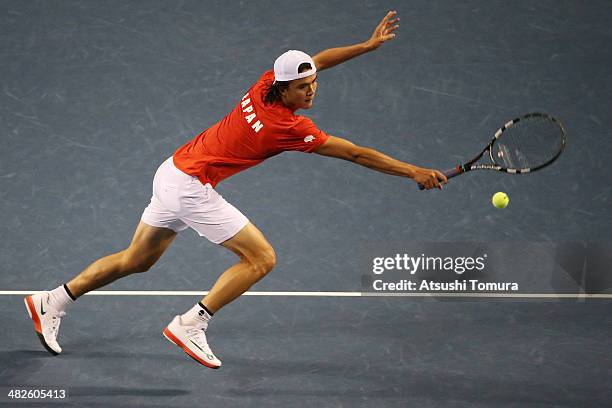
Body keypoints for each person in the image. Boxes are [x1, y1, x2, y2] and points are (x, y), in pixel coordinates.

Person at [24, 10, 446, 368]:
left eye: (312, 83)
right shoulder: (288, 128)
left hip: (171, 170)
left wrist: (367, 46)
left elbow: (317, 61)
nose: (312, 89)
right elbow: (355, 154)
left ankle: (53, 300)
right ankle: (192, 323)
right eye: (303, 87)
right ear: (285, 89)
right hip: (190, 187)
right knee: (261, 258)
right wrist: (414, 171)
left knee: (137, 260)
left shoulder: (266, 84)